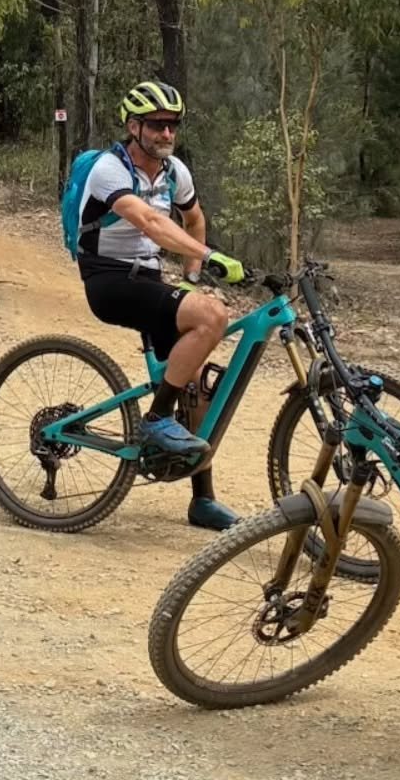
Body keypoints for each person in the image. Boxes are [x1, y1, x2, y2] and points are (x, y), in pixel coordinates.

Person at [74, 80, 247, 531]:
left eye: (172, 125)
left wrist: (193, 271)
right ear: (134, 127)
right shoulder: (110, 170)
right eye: (156, 125)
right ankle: (154, 419)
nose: (166, 134)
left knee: (196, 386)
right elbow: (150, 222)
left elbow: (194, 217)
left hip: (148, 278)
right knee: (211, 316)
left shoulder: (175, 173)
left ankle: (202, 501)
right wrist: (209, 257)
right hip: (108, 279)